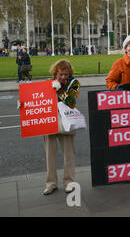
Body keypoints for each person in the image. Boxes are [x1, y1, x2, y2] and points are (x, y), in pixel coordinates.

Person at [44, 59, 80, 195]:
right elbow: (36, 99)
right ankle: (51, 183)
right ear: (55, 73)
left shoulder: (73, 83)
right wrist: (24, 104)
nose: (64, 77)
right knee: (50, 154)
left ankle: (69, 181)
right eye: (61, 75)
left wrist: (59, 90)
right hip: (49, 120)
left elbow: (72, 102)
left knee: (69, 154)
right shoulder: (47, 82)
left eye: (66, 74)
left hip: (67, 120)